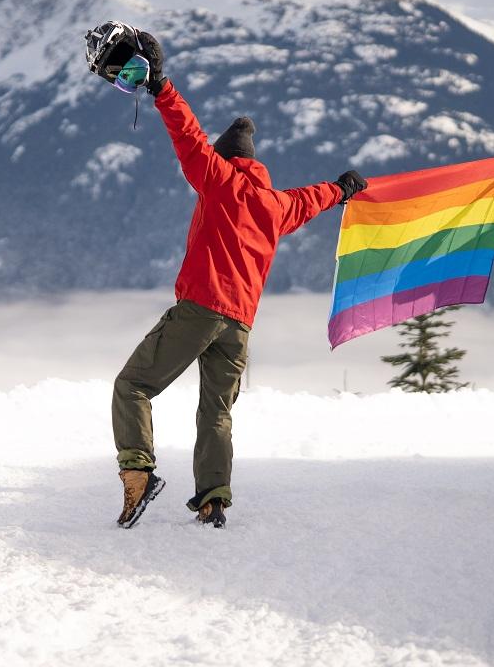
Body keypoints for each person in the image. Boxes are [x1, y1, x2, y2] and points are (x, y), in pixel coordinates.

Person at [112, 29, 367, 528]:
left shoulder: (218, 179)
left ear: (227, 159)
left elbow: (186, 133)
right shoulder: (277, 204)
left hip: (201, 308)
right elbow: (313, 197)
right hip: (241, 325)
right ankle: (213, 500)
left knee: (132, 386)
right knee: (217, 412)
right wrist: (343, 189)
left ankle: (138, 474)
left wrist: (161, 85)